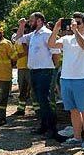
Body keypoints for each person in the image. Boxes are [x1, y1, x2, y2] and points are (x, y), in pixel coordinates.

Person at [48, 13, 84, 148]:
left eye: (79, 22)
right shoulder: (66, 38)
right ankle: (77, 137)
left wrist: (76, 31)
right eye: (73, 22)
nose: (75, 24)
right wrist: (56, 28)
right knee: (73, 110)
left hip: (82, 79)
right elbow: (51, 44)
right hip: (66, 78)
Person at [16, 12, 65, 141]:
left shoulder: (47, 34)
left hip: (45, 71)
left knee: (46, 100)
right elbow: (18, 39)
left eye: (31, 20)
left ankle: (52, 129)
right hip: (34, 71)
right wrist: (21, 25)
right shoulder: (33, 35)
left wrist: (53, 69)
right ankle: (44, 126)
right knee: (39, 100)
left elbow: (56, 53)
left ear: (39, 21)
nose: (29, 23)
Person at [13, 26, 36, 116]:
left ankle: (37, 109)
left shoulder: (26, 40)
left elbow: (27, 52)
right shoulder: (17, 42)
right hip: (20, 67)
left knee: (32, 89)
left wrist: (17, 56)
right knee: (22, 89)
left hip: (28, 67)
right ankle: (21, 108)